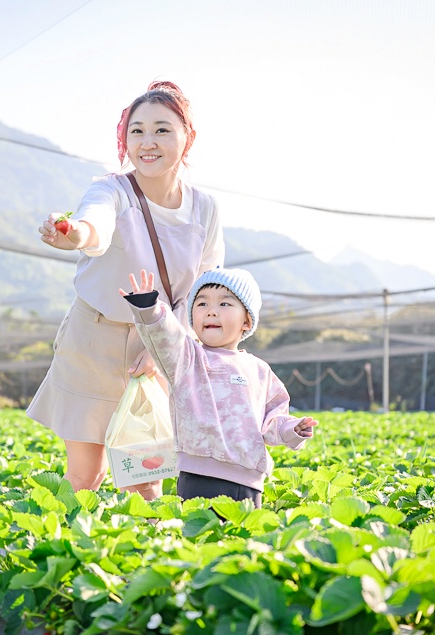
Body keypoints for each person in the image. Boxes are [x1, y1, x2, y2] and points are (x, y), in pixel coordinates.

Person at [27, 81, 224, 500]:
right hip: (93, 338)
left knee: (145, 481)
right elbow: (92, 223)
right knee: (85, 475)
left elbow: (203, 287)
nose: (147, 142)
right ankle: (70, 557)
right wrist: (75, 233)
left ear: (186, 137)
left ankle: (141, 561)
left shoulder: (205, 208)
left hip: (159, 344)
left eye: (162, 130)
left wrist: (164, 345)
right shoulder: (111, 189)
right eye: (137, 131)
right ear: (125, 139)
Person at [119, 267, 318, 508]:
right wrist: (149, 309)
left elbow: (273, 420)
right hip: (198, 476)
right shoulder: (186, 358)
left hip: (248, 481)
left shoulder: (260, 370)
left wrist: (292, 429)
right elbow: (165, 337)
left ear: (247, 320)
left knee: (241, 541)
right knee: (199, 540)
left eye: (225, 304)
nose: (211, 311)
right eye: (202, 304)